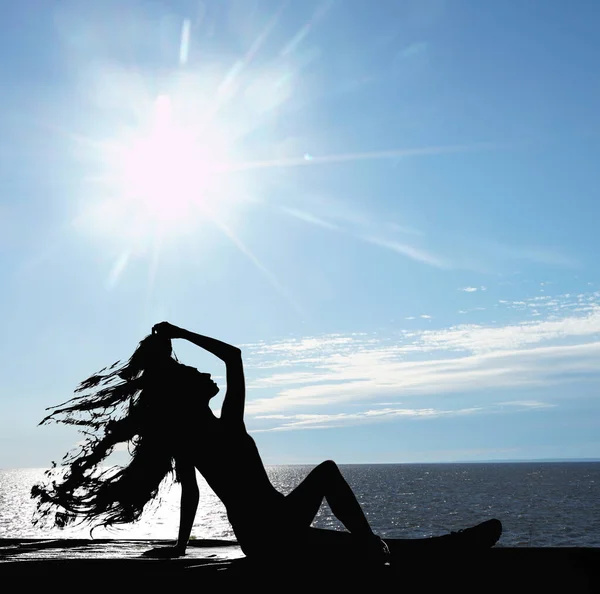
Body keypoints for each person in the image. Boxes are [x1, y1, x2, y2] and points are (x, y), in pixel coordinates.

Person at [32, 322, 502, 565]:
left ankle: (396, 548)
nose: (203, 372)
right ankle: (380, 554)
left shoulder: (188, 437)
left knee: (360, 541)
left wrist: (180, 545)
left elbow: (192, 494)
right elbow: (234, 355)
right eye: (194, 373)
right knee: (329, 475)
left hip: (260, 537)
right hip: (277, 528)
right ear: (186, 390)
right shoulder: (225, 425)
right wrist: (181, 334)